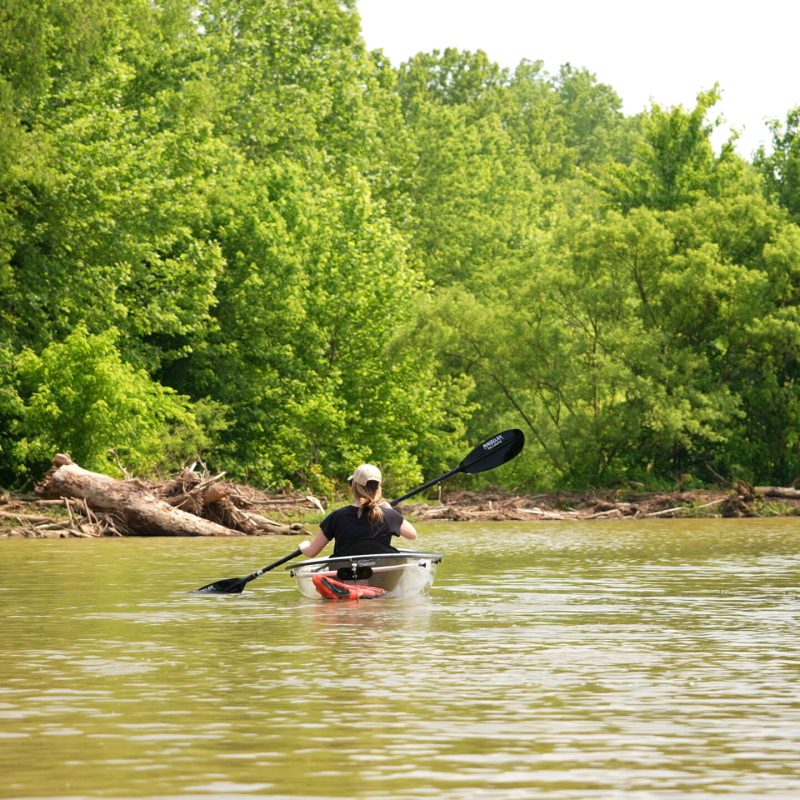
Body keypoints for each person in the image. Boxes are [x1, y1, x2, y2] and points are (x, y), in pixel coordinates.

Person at [300, 463, 417, 559]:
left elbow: (311, 552)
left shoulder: (336, 516)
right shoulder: (390, 515)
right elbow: (412, 535)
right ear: (378, 488)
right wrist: (389, 510)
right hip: (381, 578)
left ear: (353, 487)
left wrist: (304, 546)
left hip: (345, 580)